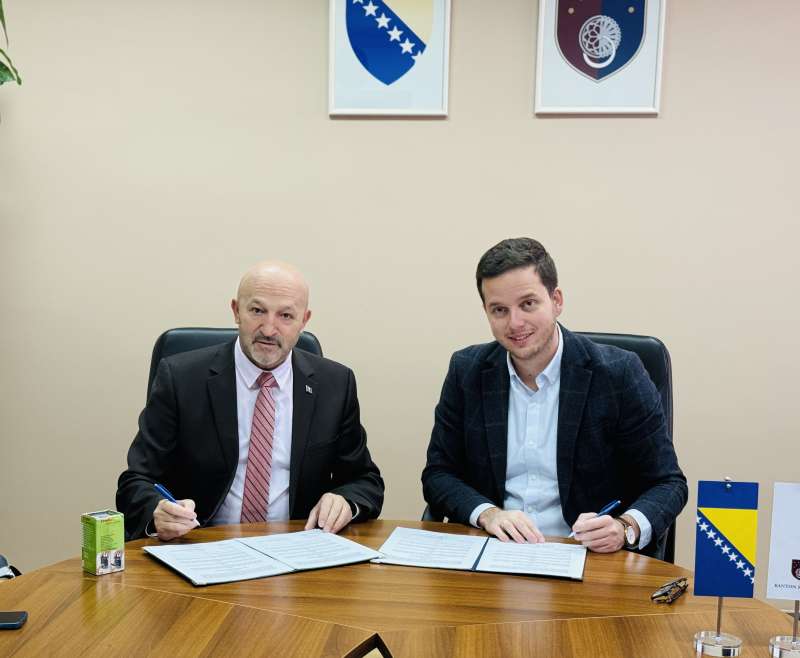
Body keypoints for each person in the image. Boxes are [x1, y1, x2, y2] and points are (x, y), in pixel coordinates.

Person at [421, 238, 687, 558]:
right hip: (494, 553)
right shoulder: (467, 371)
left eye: (528, 304)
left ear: (556, 300)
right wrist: (487, 514)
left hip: (588, 558)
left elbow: (668, 483)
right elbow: (439, 475)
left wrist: (625, 527)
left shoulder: (618, 373)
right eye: (500, 310)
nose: (515, 323)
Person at [117, 261, 384, 541]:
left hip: (296, 548)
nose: (269, 329)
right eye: (257, 311)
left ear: (304, 321)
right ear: (236, 311)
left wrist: (345, 500)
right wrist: (158, 512)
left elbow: (365, 481)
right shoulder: (181, 378)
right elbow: (136, 481)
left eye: (286, 316)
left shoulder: (335, 384)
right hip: (201, 546)